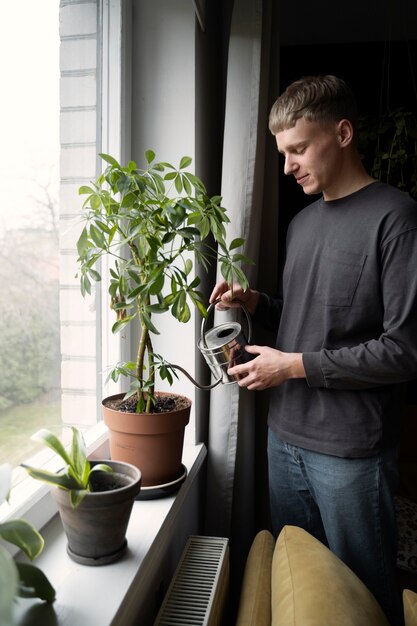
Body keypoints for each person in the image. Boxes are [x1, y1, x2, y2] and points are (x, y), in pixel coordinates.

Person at [210, 74, 417, 626]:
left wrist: (294, 366)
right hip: (285, 440)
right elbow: (307, 318)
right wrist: (254, 301)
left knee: (364, 599)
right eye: (282, 152)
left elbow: (403, 351)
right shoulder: (302, 223)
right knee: (300, 589)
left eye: (298, 148)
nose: (288, 166)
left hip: (350, 451)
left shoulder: (396, 218)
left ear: (343, 133)